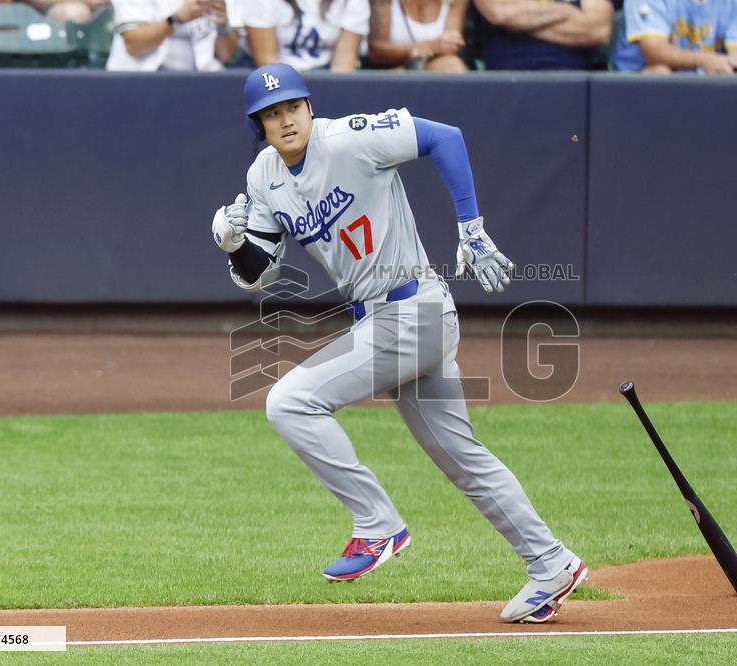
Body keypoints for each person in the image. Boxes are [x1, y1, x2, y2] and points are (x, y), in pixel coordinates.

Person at [210, 63, 588, 624]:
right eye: (270, 114)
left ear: (310, 108)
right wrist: (233, 242)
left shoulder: (349, 138)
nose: (284, 120)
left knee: (289, 401)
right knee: (463, 459)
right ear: (258, 126)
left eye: (291, 107)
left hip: (414, 310)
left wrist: (471, 226)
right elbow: (261, 270)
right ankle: (551, 563)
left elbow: (444, 137)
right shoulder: (264, 174)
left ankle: (377, 524)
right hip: (390, 322)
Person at [611, 0, 737, 73]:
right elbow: (654, 51)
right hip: (636, 81)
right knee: (660, 72)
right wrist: (706, 60)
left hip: (708, 82)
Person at [471, 0, 614, 70]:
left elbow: (598, 29)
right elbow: (500, 12)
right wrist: (568, 10)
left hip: (574, 80)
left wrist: (519, 22)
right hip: (503, 80)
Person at [106, 0, 239, 71]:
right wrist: (176, 19)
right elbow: (135, 45)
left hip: (201, 82)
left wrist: (222, 26)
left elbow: (224, 55)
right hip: (141, 83)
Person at [240, 0, 369, 71]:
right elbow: (267, 65)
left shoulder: (353, 2)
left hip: (325, 74)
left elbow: (342, 68)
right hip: (273, 78)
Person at [366, 0, 468, 71]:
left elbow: (450, 48)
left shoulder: (455, 1)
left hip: (434, 69)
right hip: (387, 72)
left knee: (451, 65)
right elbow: (375, 51)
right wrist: (430, 46)